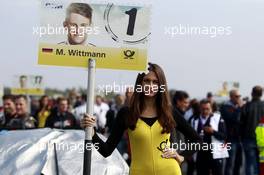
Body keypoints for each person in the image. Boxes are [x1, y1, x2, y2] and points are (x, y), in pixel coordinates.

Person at [81, 63, 201, 175]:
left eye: (155, 82)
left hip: (169, 170)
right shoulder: (126, 113)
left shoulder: (169, 111)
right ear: (140, 83)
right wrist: (92, 133)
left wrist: (180, 156)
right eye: (146, 81)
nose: (150, 86)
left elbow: (198, 141)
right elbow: (106, 151)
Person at [192, 99, 227, 175]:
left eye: (207, 109)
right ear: (199, 109)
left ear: (211, 109)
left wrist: (213, 132)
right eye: (203, 109)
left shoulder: (218, 118)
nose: (205, 111)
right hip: (200, 153)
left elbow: (224, 136)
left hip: (215, 153)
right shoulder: (194, 119)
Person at [240, 86, 264, 175]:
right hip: (262, 140)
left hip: (248, 138)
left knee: (250, 164)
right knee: (261, 164)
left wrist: (241, 136)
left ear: (252, 93)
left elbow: (240, 122)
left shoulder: (246, 106)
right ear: (261, 94)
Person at [220, 89, 243, 175]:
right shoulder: (225, 107)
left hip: (240, 139)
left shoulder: (239, 107)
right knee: (230, 164)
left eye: (239, 96)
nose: (239, 98)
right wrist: (239, 109)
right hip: (230, 139)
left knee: (238, 164)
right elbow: (233, 119)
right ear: (231, 97)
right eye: (237, 96)